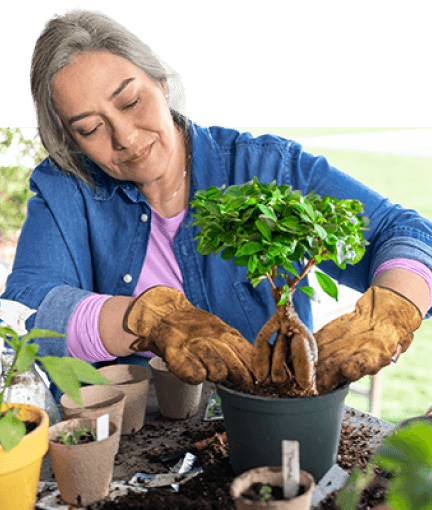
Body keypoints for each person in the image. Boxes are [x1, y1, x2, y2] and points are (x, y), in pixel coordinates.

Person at [2, 8, 432, 400]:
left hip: (266, 418)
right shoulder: (67, 187)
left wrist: (392, 311)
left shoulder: (265, 169)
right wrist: (144, 319)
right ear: (69, 140)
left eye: (131, 102)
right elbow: (25, 311)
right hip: (139, 436)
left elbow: (404, 232)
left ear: (162, 83)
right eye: (91, 128)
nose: (126, 139)